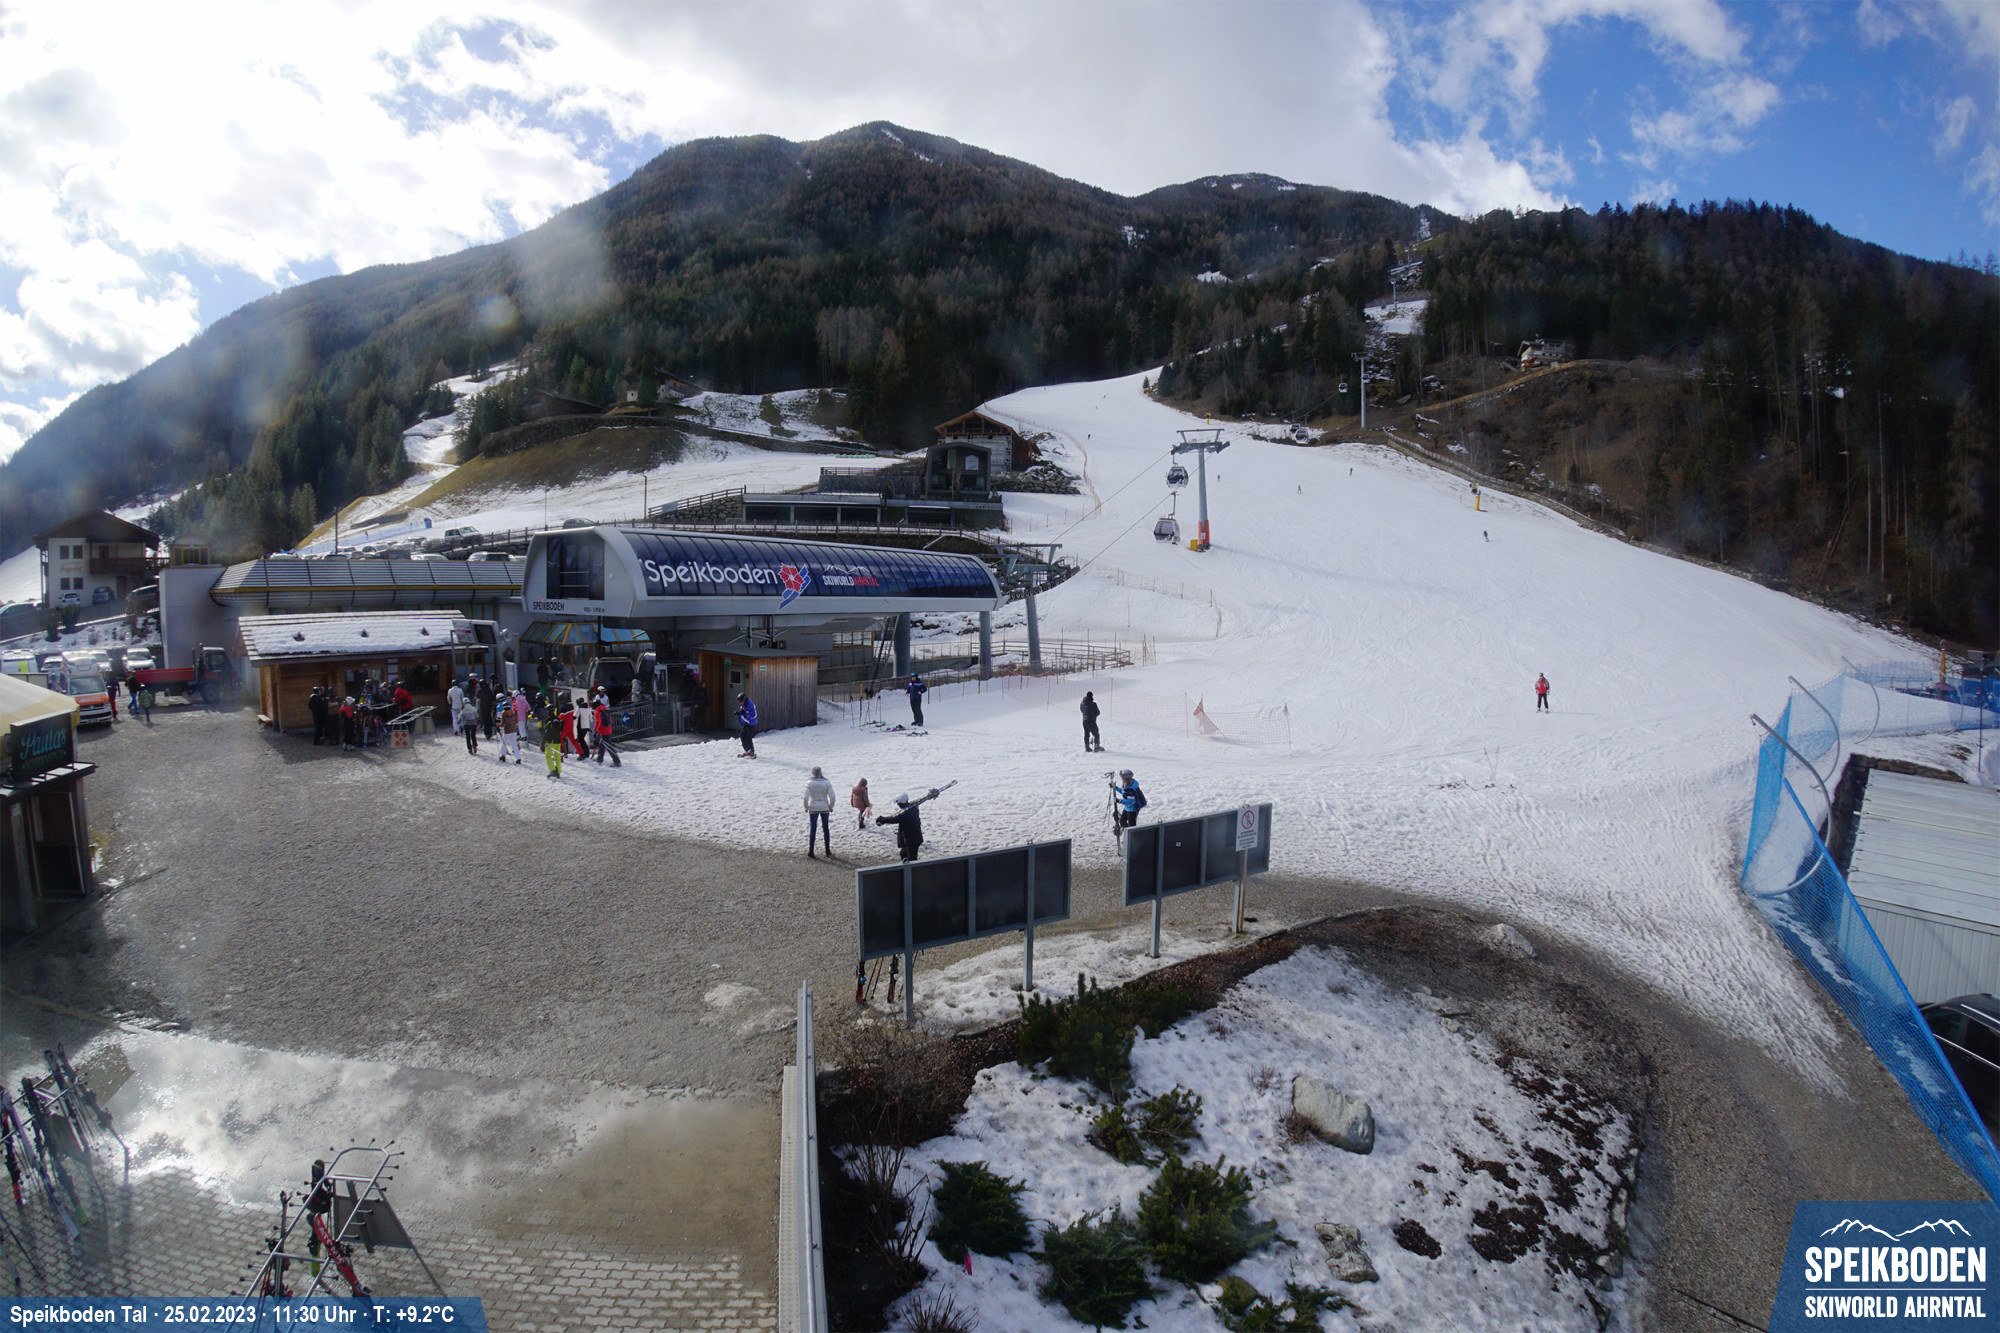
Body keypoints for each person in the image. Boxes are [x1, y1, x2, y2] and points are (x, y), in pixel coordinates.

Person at [876, 788, 940, 863]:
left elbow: (894, 819)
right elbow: (919, 800)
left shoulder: (906, 813)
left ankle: (912, 869)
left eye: (898, 803)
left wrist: (882, 819)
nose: (898, 805)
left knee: (909, 857)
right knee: (905, 854)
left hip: (910, 840)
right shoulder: (912, 807)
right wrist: (929, 796)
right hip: (915, 837)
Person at [805, 766, 835, 858]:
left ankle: (811, 851)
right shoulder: (826, 782)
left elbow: (805, 797)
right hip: (824, 807)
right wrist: (830, 807)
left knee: (813, 829)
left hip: (813, 807)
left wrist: (806, 807)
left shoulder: (810, 783)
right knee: (826, 829)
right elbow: (833, 797)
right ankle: (827, 850)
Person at [592, 693, 621, 767]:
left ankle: (617, 761)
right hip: (609, 729)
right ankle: (599, 759)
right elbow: (611, 720)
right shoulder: (606, 709)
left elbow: (598, 722)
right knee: (602, 745)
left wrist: (595, 730)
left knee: (608, 746)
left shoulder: (597, 712)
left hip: (603, 731)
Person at [497, 692, 522, 763]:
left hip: (507, 731)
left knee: (503, 743)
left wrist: (497, 724)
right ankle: (518, 758)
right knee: (514, 745)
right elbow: (516, 721)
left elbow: (502, 724)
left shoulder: (504, 715)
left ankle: (503, 756)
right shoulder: (513, 714)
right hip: (513, 731)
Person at [458, 691, 480, 755]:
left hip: (466, 724)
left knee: (468, 737)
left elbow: (460, 718)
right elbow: (477, 716)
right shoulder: (473, 708)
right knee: (473, 735)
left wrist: (459, 722)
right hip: (473, 723)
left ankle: (469, 748)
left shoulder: (463, 710)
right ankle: (474, 745)